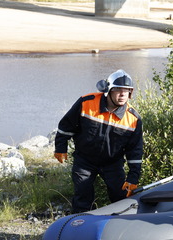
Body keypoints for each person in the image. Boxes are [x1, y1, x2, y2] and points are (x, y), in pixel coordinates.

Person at [54, 69, 143, 213]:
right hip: (84, 161)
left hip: (113, 164)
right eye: (118, 90)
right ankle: (80, 226)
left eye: (126, 91)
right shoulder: (87, 102)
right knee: (83, 197)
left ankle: (121, 226)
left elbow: (135, 151)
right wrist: (60, 147)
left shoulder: (133, 119)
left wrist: (133, 177)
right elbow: (66, 125)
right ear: (108, 90)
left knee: (121, 198)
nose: (122, 95)